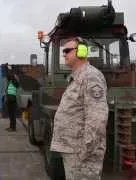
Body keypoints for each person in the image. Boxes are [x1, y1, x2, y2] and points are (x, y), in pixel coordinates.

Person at [50, 37, 108, 180]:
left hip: (81, 156)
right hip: (73, 151)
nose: (64, 54)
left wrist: (84, 153)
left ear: (81, 52)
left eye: (67, 50)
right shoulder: (77, 77)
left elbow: (97, 119)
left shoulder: (91, 76)